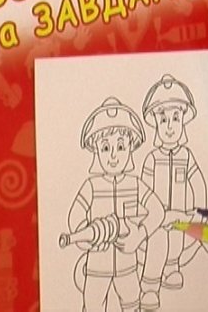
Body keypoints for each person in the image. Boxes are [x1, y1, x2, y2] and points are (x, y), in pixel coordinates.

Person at [67, 97, 165, 312]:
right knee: (92, 305)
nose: (113, 155)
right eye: (105, 147)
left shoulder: (135, 184)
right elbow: (76, 216)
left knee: (132, 304)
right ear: (95, 150)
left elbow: (157, 210)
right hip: (96, 266)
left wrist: (139, 235)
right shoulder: (91, 186)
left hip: (127, 265)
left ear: (131, 147)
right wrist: (86, 239)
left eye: (120, 146)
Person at [140, 75, 208, 310]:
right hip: (157, 221)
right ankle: (150, 285)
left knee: (178, 242)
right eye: (163, 119)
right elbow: (144, 190)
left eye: (175, 118)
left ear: (183, 121)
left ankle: (171, 267)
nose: (170, 126)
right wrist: (152, 215)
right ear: (155, 123)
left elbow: (198, 182)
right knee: (157, 245)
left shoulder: (186, 156)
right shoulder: (152, 158)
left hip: (180, 216)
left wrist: (200, 211)